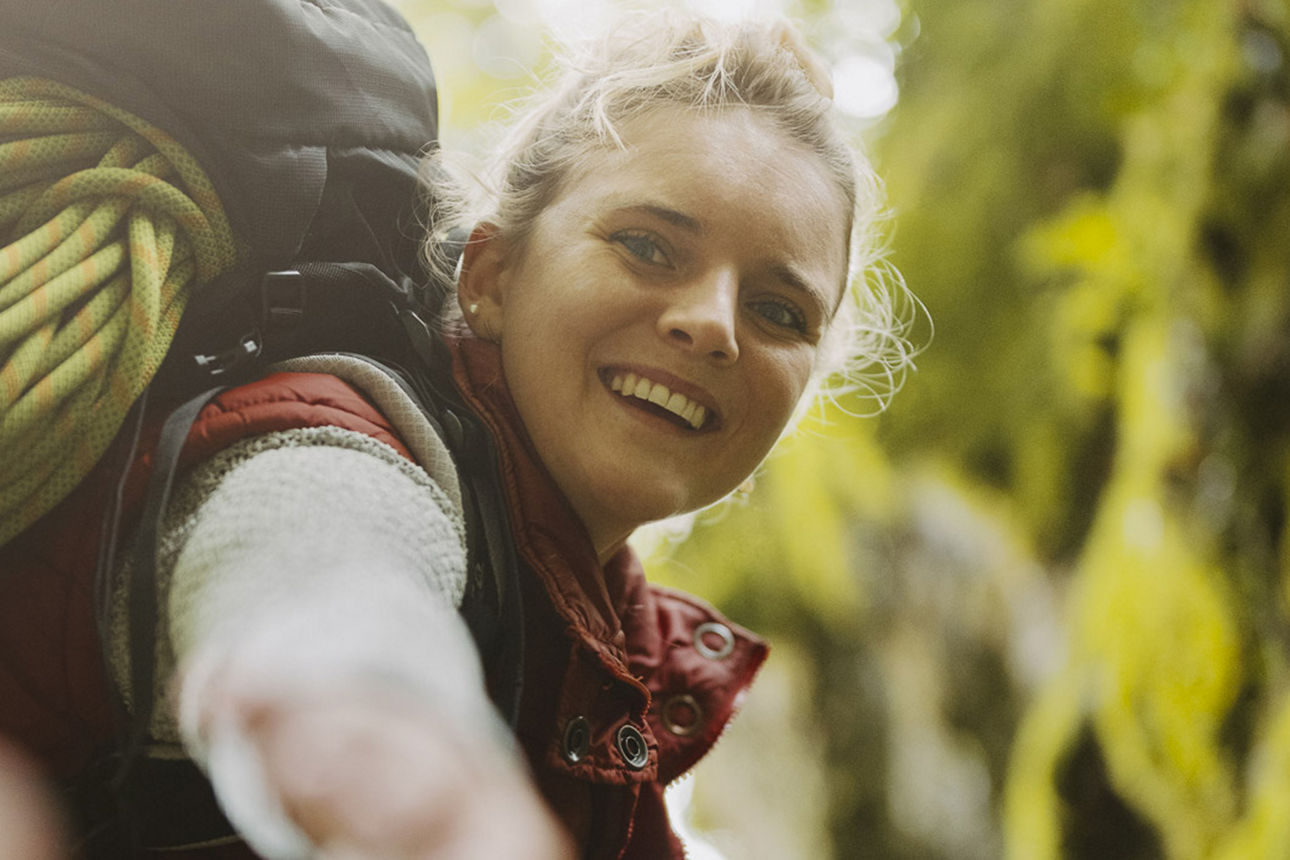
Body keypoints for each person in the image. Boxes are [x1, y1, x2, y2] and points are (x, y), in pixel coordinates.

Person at [4, 8, 914, 859]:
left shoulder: (604, 647)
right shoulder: (350, 446)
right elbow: (320, 574)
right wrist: (384, 739)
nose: (714, 325)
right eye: (647, 245)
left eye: (778, 310)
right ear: (491, 277)